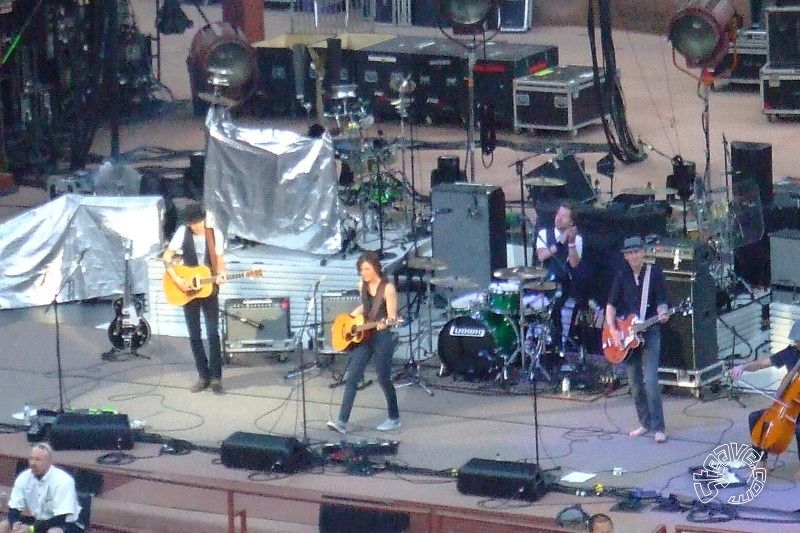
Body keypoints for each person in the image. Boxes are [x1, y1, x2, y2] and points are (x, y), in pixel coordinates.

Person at [605, 236, 670, 443]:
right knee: (634, 382)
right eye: (629, 253)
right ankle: (645, 423)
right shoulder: (621, 275)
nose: (633, 256)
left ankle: (659, 427)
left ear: (643, 252)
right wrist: (613, 330)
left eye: (636, 252)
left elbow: (661, 301)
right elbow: (611, 305)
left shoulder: (654, 272)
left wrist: (663, 312)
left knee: (650, 379)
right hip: (627, 335)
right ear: (625, 256)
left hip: (649, 331)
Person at [327, 251, 400, 434]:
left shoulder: (388, 288)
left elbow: (392, 317)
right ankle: (342, 421)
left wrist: (386, 323)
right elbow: (364, 307)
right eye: (361, 269)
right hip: (364, 336)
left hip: (382, 338)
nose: (364, 273)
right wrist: (351, 318)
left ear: (376, 268)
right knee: (352, 376)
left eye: (367, 269)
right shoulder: (361, 285)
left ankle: (394, 417)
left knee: (383, 378)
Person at [163, 202, 227, 394]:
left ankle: (216, 377)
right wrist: (178, 280)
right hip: (188, 289)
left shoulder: (215, 233)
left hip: (209, 289)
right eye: (191, 223)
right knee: (194, 334)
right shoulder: (182, 232)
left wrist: (221, 274)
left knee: (213, 333)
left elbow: (220, 259)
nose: (193, 226)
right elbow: (167, 257)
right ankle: (203, 375)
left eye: (195, 222)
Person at [730, 319, 800, 479]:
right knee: (755, 418)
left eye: (799, 341)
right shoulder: (790, 352)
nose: (797, 344)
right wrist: (743, 367)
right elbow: (763, 363)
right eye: (796, 341)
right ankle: (761, 463)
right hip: (789, 406)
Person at [1, 442, 82, 533]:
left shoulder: (63, 481)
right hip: (39, 521)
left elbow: (60, 518)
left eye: (38, 460)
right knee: (4, 525)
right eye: (31, 459)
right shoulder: (24, 477)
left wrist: (31, 529)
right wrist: (15, 524)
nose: (33, 463)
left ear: (49, 462)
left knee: (54, 532)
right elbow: (14, 507)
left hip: (68, 524)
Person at [535, 201, 583, 353]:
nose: (559, 218)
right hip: (545, 281)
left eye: (564, 216)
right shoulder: (544, 234)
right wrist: (558, 243)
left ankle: (557, 345)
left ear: (571, 221)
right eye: (558, 214)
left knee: (555, 304)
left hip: (563, 283)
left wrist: (570, 244)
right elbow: (542, 256)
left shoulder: (577, 239)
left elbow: (574, 263)